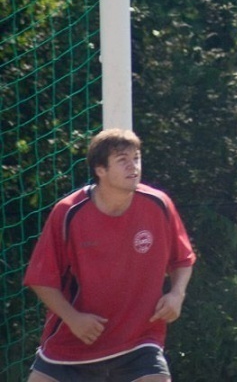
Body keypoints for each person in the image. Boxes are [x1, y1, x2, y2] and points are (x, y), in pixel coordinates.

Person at [23, 129, 196, 382]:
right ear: (100, 170)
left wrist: (176, 294)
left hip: (139, 341)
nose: (133, 166)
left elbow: (182, 259)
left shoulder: (159, 204)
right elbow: (40, 279)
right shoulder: (68, 213)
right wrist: (73, 318)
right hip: (73, 345)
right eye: (122, 160)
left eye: (136, 158)